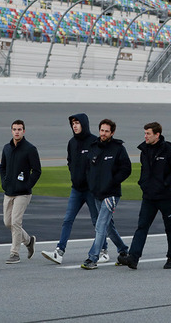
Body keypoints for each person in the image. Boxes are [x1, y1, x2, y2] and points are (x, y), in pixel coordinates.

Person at [42, 113, 110, 265]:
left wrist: (96, 183)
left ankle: (104, 251)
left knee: (96, 222)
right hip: (76, 190)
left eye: (77, 123)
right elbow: (70, 161)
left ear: (84, 124)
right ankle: (59, 252)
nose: (75, 125)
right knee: (67, 220)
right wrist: (74, 175)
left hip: (91, 191)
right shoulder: (71, 142)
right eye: (73, 123)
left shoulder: (94, 141)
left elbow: (100, 165)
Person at [118, 122, 171, 270]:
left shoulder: (169, 150)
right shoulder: (144, 150)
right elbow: (144, 171)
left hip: (165, 196)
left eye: (148, 133)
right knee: (142, 226)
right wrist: (143, 183)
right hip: (148, 197)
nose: (145, 136)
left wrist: (166, 182)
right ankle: (133, 258)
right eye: (145, 133)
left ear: (157, 134)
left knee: (170, 227)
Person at [81, 119, 131, 270]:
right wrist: (91, 183)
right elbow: (88, 168)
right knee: (108, 226)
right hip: (96, 193)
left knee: (100, 224)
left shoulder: (118, 148)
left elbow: (126, 169)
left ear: (112, 132)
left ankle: (93, 258)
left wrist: (113, 181)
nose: (103, 133)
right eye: (101, 130)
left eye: (106, 131)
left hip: (111, 194)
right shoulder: (93, 147)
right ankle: (123, 251)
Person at [0, 119, 41, 264]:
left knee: (16, 222)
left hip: (23, 193)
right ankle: (29, 241)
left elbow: (37, 171)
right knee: (7, 222)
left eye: (19, 129)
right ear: (11, 131)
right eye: (14, 129)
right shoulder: (6, 148)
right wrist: (4, 182)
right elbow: (2, 167)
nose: (17, 132)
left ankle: (14, 253)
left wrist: (27, 185)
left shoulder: (30, 149)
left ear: (24, 131)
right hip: (8, 191)